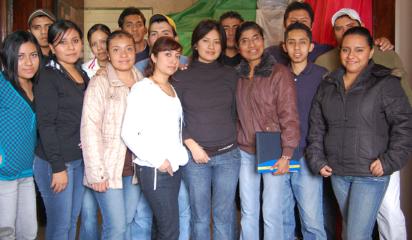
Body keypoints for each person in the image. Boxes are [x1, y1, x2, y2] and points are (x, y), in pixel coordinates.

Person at [314, 8, 412, 240]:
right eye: (346, 49)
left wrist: (390, 159)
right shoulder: (328, 77)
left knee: (383, 216)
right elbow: (318, 123)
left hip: (374, 164)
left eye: (359, 49)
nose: (352, 55)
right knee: (354, 227)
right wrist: (319, 157)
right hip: (341, 167)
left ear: (370, 52)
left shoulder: (385, 76)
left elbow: (403, 120)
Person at [172, 20, 240, 240]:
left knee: (224, 216)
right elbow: (174, 119)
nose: (211, 46)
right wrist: (192, 145)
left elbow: (235, 112)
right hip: (196, 158)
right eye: (205, 41)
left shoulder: (231, 75)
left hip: (229, 156)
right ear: (195, 44)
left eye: (216, 42)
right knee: (200, 217)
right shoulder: (180, 76)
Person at [235, 21, 300, 240]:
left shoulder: (279, 73)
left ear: (263, 41)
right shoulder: (237, 75)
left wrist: (287, 154)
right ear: (238, 46)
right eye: (244, 40)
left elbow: (289, 115)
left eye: (255, 38)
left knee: (272, 211)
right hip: (245, 151)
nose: (251, 44)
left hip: (273, 150)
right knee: (248, 211)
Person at [122, 36, 188, 240]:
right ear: (153, 57)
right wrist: (159, 160)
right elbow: (128, 133)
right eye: (167, 55)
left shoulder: (171, 88)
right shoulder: (143, 88)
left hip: (172, 167)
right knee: (170, 230)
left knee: (161, 227)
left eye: (177, 56)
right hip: (154, 168)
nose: (173, 60)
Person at [81, 30, 143, 240]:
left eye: (128, 49)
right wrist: (97, 173)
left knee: (125, 223)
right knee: (115, 227)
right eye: (116, 50)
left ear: (135, 51)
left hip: (134, 168)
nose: (123, 55)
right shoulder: (100, 82)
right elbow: (89, 128)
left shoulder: (142, 81)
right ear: (107, 54)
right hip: (108, 168)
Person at [33, 19, 88, 240]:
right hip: (55, 162)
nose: (71, 47)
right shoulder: (48, 76)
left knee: (71, 222)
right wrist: (57, 166)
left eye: (75, 41)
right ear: (53, 48)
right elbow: (45, 124)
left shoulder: (81, 74)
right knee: (59, 226)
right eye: (63, 43)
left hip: (77, 158)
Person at [278, 22, 328, 239]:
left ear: (311, 47)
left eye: (302, 43)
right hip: (280, 156)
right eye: (291, 43)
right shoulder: (276, 75)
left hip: (309, 155)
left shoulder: (323, 75)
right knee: (283, 219)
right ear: (284, 46)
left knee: (312, 221)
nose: (297, 48)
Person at [0, 30, 42, 240]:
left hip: (27, 171)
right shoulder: (2, 84)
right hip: (3, 173)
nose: (28, 62)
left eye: (33, 55)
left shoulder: (37, 85)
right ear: (8, 57)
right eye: (20, 57)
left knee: (28, 231)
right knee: (5, 231)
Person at [265, 1, 393, 66]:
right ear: (284, 24)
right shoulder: (271, 54)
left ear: (312, 26)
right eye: (293, 21)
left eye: (304, 22)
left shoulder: (325, 52)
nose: (298, 26)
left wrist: (378, 42)